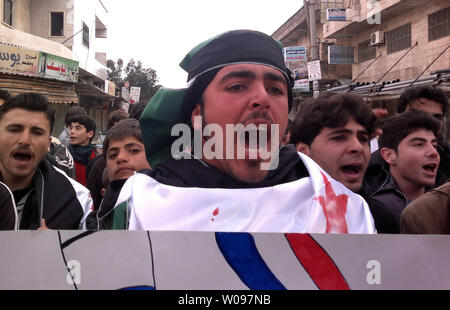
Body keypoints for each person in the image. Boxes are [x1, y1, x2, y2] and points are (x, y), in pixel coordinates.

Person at [101, 30, 375, 233]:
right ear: (197, 115)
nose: (262, 99)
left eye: (275, 89)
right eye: (237, 86)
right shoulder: (137, 202)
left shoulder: (343, 206)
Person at [0, 93, 92, 229]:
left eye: (37, 132)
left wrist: (57, 245)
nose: (24, 140)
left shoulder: (76, 198)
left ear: (49, 144)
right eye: (14, 130)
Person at [362, 110, 441, 233]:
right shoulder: (368, 208)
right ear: (389, 155)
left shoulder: (444, 203)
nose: (433, 152)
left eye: (434, 145)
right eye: (419, 144)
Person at [289, 92, 377, 192]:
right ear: (303, 151)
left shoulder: (370, 207)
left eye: (363, 139)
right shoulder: (277, 204)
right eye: (339, 138)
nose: (358, 147)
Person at [86, 118, 151, 229]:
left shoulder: (176, 212)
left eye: (134, 150)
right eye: (113, 155)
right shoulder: (93, 225)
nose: (120, 158)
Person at [396, 85, 449, 187]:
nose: (430, 123)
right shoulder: (371, 173)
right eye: (419, 116)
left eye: (437, 118)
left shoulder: (446, 159)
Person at [86, 110, 129, 211]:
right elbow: (92, 200)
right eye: (115, 130)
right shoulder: (98, 165)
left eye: (124, 130)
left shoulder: (138, 163)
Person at [68, 114, 98, 186]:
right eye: (71, 128)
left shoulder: (97, 158)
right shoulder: (63, 157)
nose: (72, 131)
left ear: (90, 134)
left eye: (77, 128)